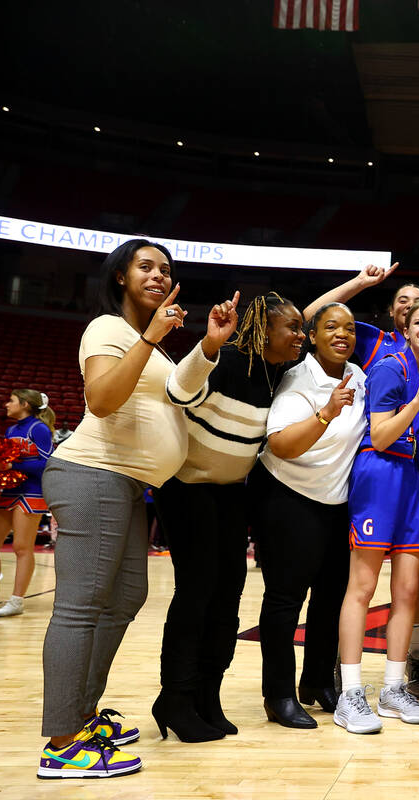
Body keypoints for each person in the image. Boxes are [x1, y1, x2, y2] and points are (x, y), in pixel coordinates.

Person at [38, 239, 236, 777]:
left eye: (164, 269)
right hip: (92, 474)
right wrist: (149, 338)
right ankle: (61, 742)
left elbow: (181, 394)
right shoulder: (108, 329)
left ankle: (82, 716)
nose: (157, 275)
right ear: (120, 276)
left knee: (126, 596)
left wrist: (210, 347)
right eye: (145, 266)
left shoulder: (154, 344)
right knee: (80, 608)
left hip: (128, 484)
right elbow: (101, 400)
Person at [151, 292, 306, 742]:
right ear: (264, 330)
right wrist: (210, 346)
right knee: (197, 592)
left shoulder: (280, 372)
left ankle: (207, 693)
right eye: (292, 328)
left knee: (228, 599)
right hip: (185, 488)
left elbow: (309, 314)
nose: (301, 335)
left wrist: (356, 283)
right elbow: (178, 392)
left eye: (300, 328)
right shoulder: (229, 358)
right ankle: (175, 697)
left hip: (229, 494)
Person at [333, 300, 419, 732]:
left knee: (408, 591)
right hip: (380, 476)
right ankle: (350, 694)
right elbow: (384, 436)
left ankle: (391, 687)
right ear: (405, 328)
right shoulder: (391, 366)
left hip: (416, 481)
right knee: (363, 587)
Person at [252, 302, 364, 729]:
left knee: (331, 598)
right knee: (285, 600)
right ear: (312, 336)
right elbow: (280, 444)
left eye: (350, 328)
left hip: (335, 503)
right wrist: (326, 412)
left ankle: (317, 681)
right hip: (287, 495)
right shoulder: (299, 378)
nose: (342, 334)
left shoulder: (360, 375)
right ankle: (278, 694)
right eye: (331, 327)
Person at [301, 264, 419, 374]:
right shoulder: (374, 340)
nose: (410, 305)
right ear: (391, 311)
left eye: (417, 302)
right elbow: (310, 317)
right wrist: (359, 282)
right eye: (403, 301)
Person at [0, 389, 55, 617]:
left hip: (32, 491)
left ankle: (17, 601)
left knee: (21, 547)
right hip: (9, 490)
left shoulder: (37, 429)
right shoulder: (11, 430)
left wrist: (14, 467)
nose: (7, 404)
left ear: (25, 404)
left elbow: (46, 463)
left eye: (11, 400)